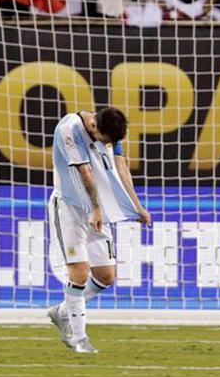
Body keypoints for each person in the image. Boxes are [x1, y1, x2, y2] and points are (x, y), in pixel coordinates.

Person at [45, 107, 149, 354]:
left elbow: (121, 167)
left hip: (97, 209)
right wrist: (96, 208)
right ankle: (79, 339)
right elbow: (86, 174)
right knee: (79, 273)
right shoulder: (69, 130)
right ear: (93, 127)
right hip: (69, 208)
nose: (107, 146)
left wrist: (137, 206)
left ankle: (61, 312)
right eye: (104, 142)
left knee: (105, 276)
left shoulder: (110, 127)